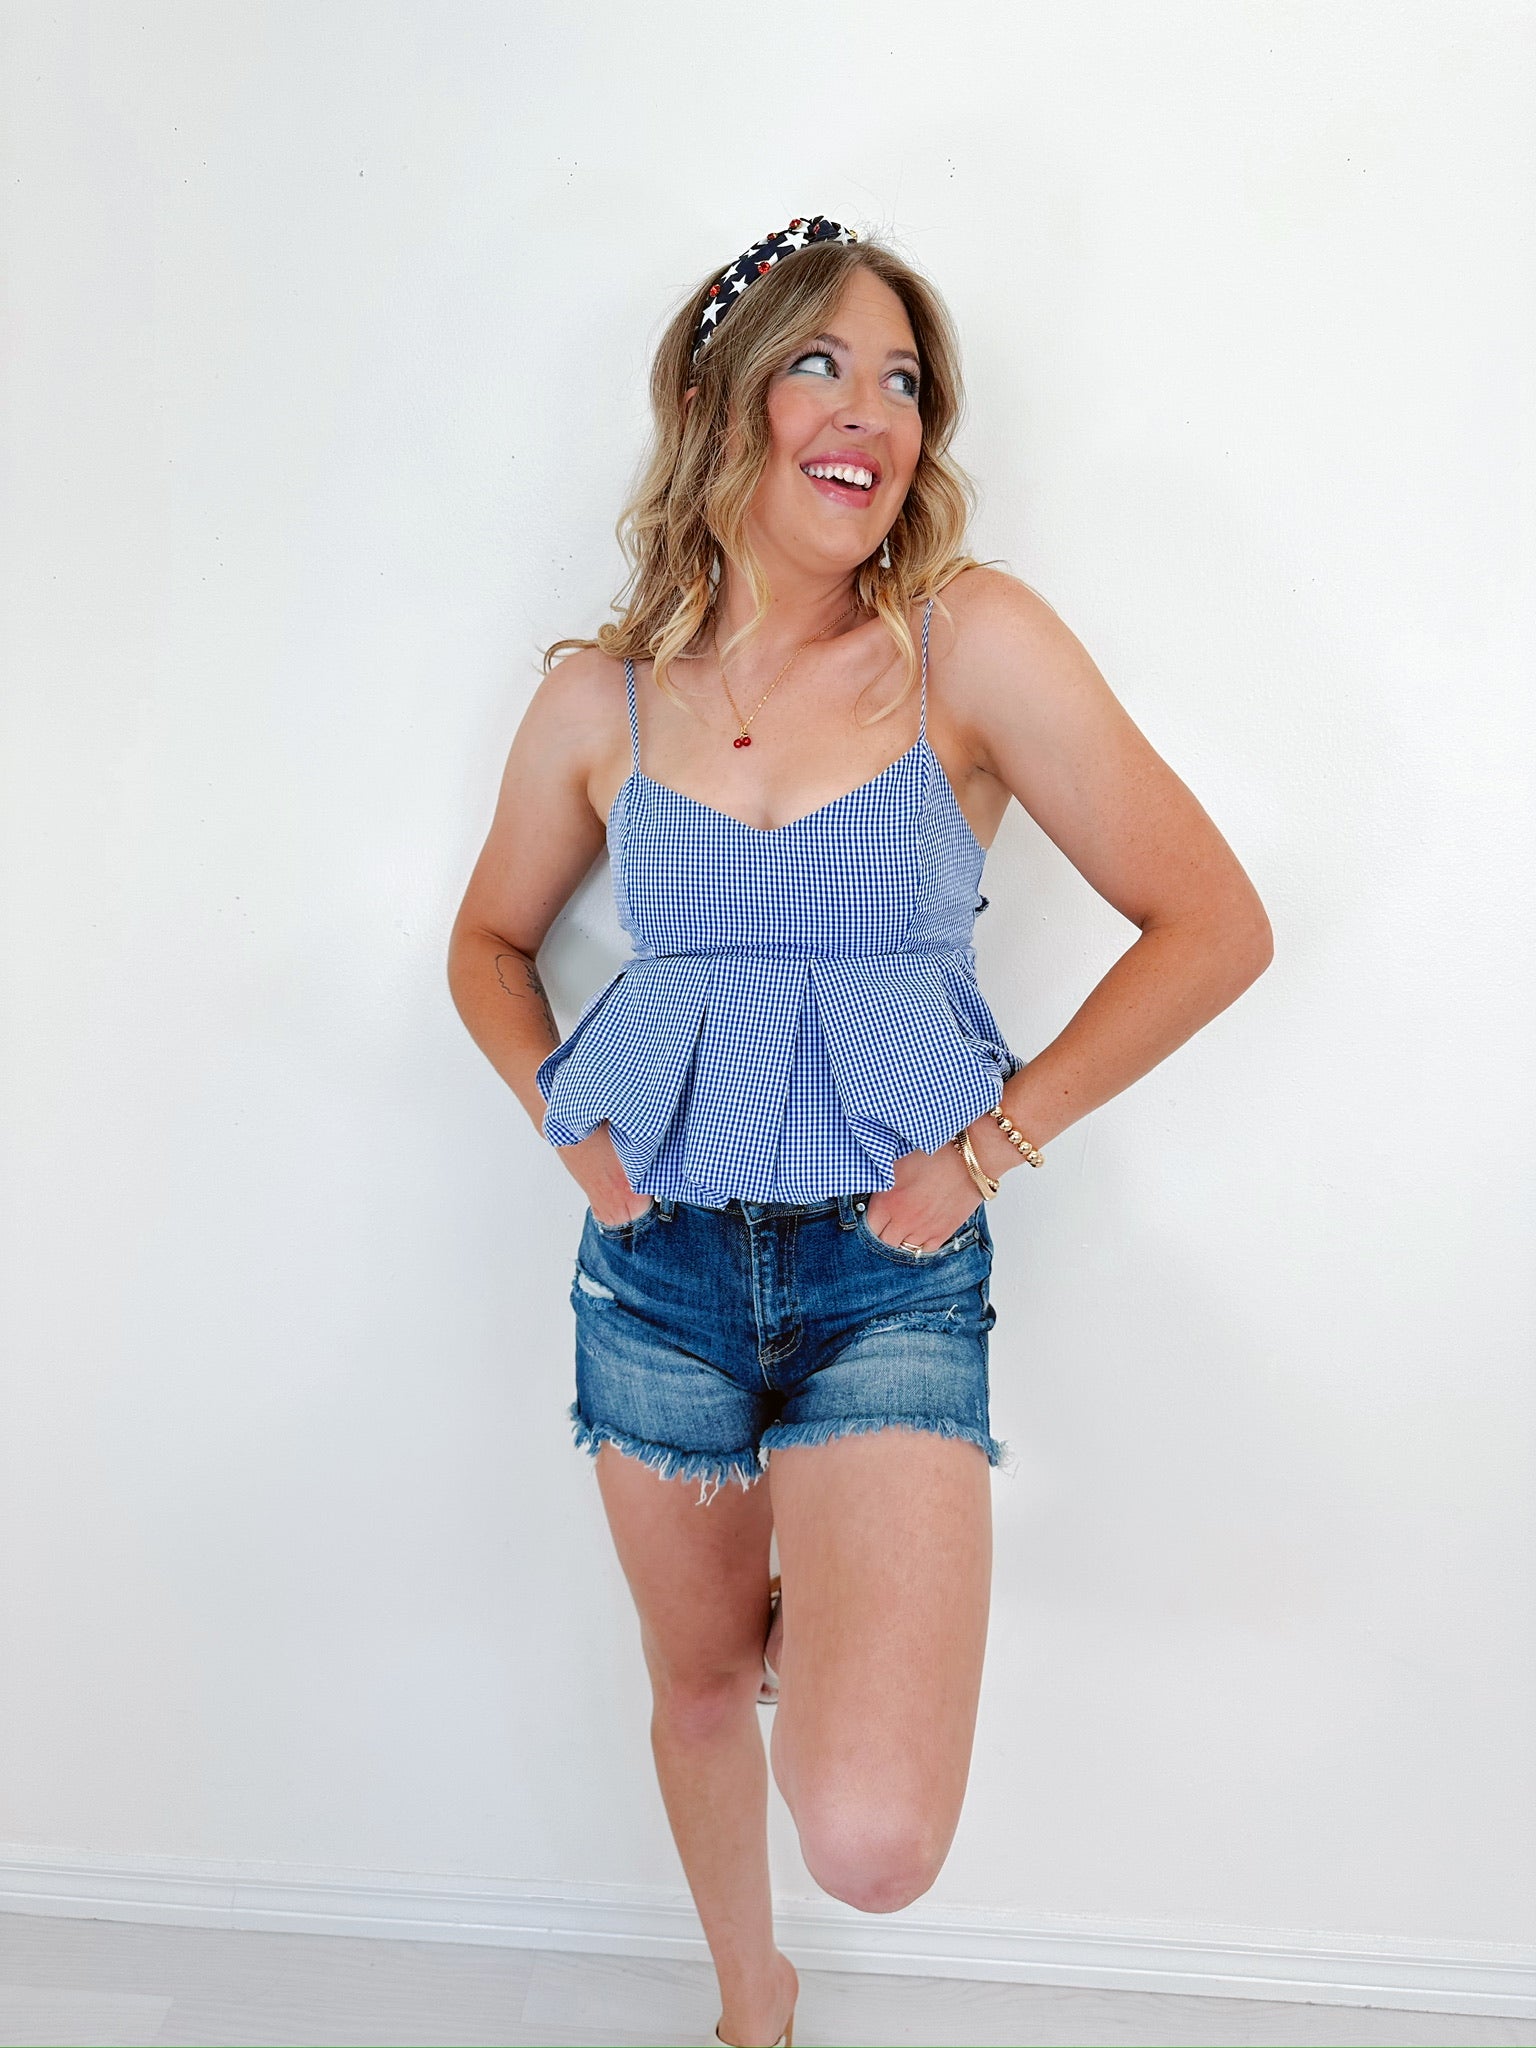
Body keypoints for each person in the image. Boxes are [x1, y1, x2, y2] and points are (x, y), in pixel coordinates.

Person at [446, 216, 1273, 2048]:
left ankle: (830, 1595)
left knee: (877, 1836)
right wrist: (569, 1130)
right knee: (694, 1684)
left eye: (904, 381)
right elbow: (487, 945)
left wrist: (988, 1149)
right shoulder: (601, 697)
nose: (871, 413)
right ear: (721, 401)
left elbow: (1215, 925)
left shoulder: (967, 643)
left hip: (885, 1269)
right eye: (820, 363)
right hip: (653, 1272)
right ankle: (753, 2006)